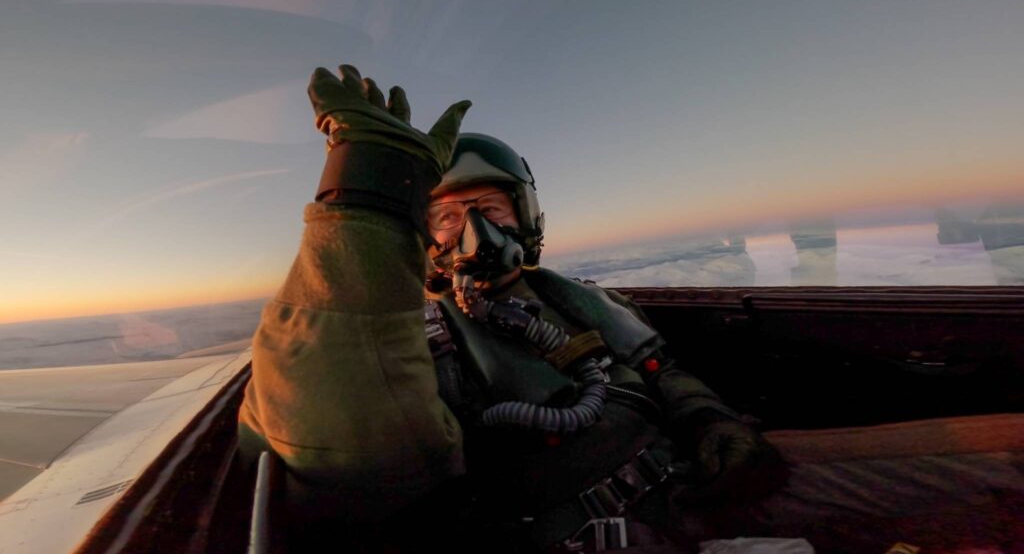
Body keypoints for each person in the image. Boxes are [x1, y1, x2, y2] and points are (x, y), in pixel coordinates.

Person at [237, 63, 784, 552]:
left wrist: (709, 419)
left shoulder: (585, 300)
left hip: (696, 491)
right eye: (446, 217)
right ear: (420, 235)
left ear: (525, 217)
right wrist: (367, 205)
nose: (472, 230)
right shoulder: (403, 340)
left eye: (490, 208)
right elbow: (344, 442)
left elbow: (660, 372)